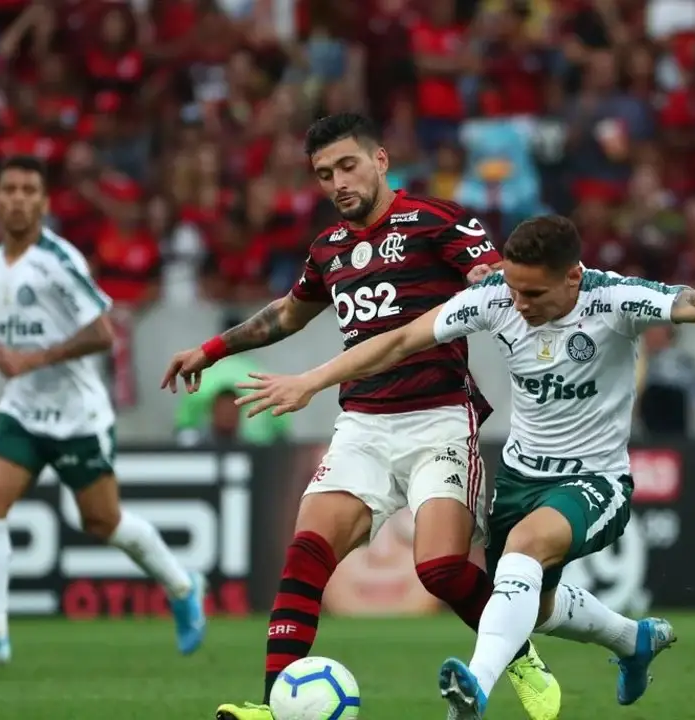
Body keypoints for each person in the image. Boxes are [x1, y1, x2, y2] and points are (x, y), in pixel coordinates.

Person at [233, 214, 695, 720]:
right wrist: (310, 381)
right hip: (520, 481)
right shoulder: (495, 298)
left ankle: (476, 685)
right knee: (532, 607)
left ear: (574, 278)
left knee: (523, 551)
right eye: (514, 288)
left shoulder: (614, 298)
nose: (520, 303)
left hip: (593, 480)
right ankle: (634, 641)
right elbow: (397, 341)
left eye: (534, 293)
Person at [159, 114, 560, 720]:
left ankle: (520, 656)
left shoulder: (438, 220)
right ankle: (273, 704)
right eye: (324, 174)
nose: (338, 182)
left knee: (441, 568)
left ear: (380, 159)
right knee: (305, 554)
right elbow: (289, 314)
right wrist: (211, 350)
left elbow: (489, 274)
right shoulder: (329, 248)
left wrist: (487, 278)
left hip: (439, 421)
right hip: (364, 425)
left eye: (347, 165)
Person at [0, 156, 206, 667]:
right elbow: (19, 329)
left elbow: (102, 332)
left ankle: (181, 584)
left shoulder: (59, 261)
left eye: (29, 190)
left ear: (42, 204)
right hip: (23, 409)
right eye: (10, 189)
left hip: (77, 416)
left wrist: (33, 359)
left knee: (102, 521)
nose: (18, 198)